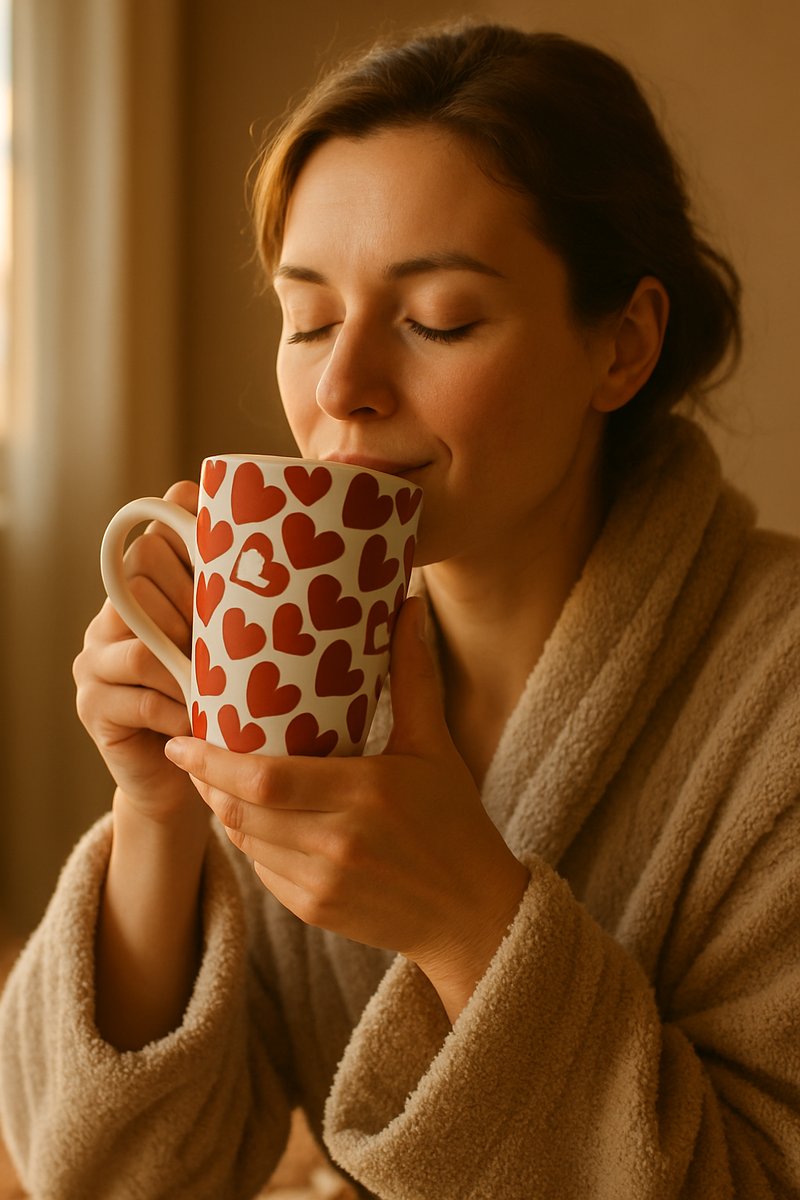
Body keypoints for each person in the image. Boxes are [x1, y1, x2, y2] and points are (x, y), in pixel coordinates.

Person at [2, 21, 799, 1199]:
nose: (341, 387)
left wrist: (471, 922)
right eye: (309, 320)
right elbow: (108, 1172)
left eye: (437, 320)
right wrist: (158, 811)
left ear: (620, 347)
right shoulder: (302, 668)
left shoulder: (772, 693)